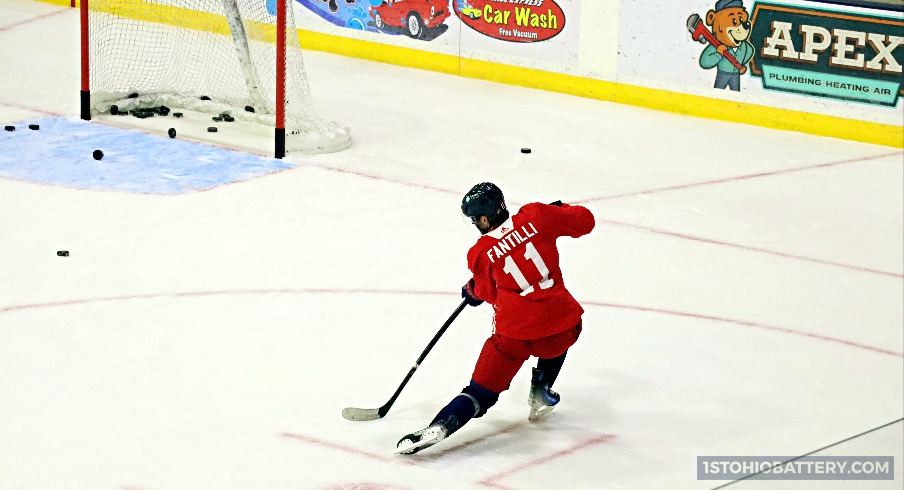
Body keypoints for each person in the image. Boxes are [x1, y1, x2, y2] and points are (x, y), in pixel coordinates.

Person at [396, 182, 595, 454]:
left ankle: (441, 426)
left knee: (480, 392)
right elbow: (586, 221)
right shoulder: (537, 216)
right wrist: (558, 211)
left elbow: (487, 292)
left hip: (513, 337)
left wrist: (472, 290)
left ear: (484, 218)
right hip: (559, 327)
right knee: (566, 326)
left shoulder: (481, 253)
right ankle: (542, 387)